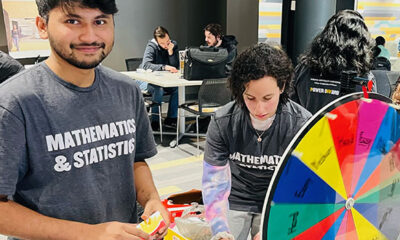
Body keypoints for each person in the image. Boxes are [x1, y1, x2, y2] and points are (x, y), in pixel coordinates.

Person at [0, 1, 169, 239]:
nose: (90, 36)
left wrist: (151, 199)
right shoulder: (13, 102)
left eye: (100, 21)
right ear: (42, 25)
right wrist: (91, 234)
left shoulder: (127, 90)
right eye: (72, 21)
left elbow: (135, 159)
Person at [202, 43, 312, 240]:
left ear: (283, 86)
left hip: (279, 202)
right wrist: (219, 227)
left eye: (267, 98)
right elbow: (214, 183)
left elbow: (303, 186)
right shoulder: (223, 121)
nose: (259, 109)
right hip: (235, 200)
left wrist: (277, 224)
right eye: (250, 98)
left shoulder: (301, 124)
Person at [291, 10, 377, 114]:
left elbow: (292, 106)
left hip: (309, 129)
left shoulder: (303, 69)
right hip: (346, 130)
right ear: (361, 42)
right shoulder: (364, 78)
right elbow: (371, 116)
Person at [140, 26, 179, 130]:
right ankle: (155, 121)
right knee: (158, 89)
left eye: (167, 41)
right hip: (145, 81)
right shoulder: (151, 46)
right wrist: (164, 67)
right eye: (161, 43)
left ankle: (171, 119)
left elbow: (175, 66)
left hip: (162, 80)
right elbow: (146, 64)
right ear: (157, 41)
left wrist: (170, 53)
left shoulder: (172, 45)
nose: (165, 45)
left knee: (176, 88)